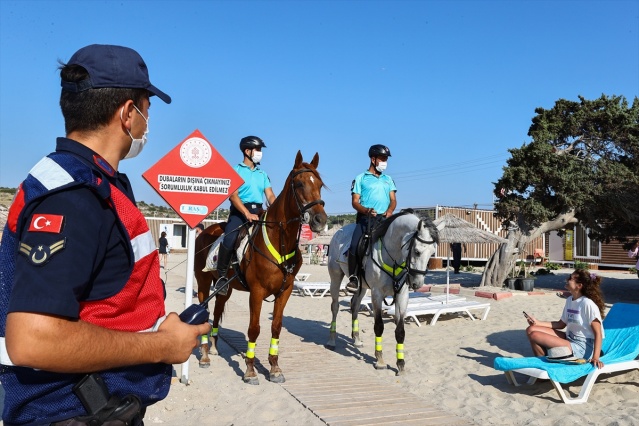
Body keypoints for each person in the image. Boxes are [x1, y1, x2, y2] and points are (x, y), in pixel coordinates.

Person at [0, 44, 210, 426]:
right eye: (147, 108)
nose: (148, 121)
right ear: (128, 113)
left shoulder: (93, 184)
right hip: (73, 413)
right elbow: (33, 338)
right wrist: (163, 346)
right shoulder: (74, 196)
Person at [213, 136, 276, 295]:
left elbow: (270, 195)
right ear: (247, 151)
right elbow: (233, 196)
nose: (260, 153)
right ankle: (221, 276)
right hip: (240, 212)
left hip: (260, 211)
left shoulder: (262, 174)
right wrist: (246, 213)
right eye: (258, 150)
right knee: (229, 237)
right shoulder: (236, 170)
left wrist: (276, 208)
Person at [525, 269, 606, 369]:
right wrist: (537, 322)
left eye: (570, 278)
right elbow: (561, 324)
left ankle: (545, 367)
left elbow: (598, 333)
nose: (567, 280)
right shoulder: (569, 300)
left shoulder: (587, 304)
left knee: (534, 335)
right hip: (569, 338)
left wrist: (596, 358)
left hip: (582, 347)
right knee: (531, 329)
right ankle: (546, 361)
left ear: (579, 286)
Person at [346, 144, 397, 292]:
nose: (385, 162)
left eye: (386, 159)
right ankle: (354, 278)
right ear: (373, 159)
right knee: (355, 245)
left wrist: (390, 210)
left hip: (385, 219)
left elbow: (393, 199)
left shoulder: (389, 179)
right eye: (382, 158)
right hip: (366, 219)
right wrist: (366, 210)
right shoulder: (361, 178)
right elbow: (355, 202)